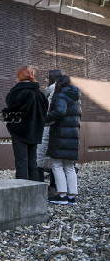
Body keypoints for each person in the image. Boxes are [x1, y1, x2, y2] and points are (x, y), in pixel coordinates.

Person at [2, 66, 48, 181]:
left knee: (21, 162)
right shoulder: (40, 94)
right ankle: (34, 190)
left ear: (20, 76)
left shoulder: (18, 92)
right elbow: (44, 112)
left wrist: (5, 114)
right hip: (35, 132)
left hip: (20, 132)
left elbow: (13, 110)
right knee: (32, 162)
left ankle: (22, 190)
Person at [47, 76, 81, 205]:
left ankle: (62, 196)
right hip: (73, 135)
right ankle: (72, 197)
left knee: (56, 165)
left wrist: (47, 118)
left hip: (60, 134)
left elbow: (60, 111)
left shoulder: (60, 95)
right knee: (69, 166)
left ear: (58, 84)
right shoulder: (75, 96)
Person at [36, 69, 62, 182]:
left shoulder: (51, 90)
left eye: (48, 77)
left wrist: (42, 120)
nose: (46, 79)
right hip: (60, 129)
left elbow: (49, 112)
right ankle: (55, 187)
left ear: (52, 78)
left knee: (40, 157)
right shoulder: (66, 90)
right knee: (55, 158)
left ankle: (40, 185)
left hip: (48, 127)